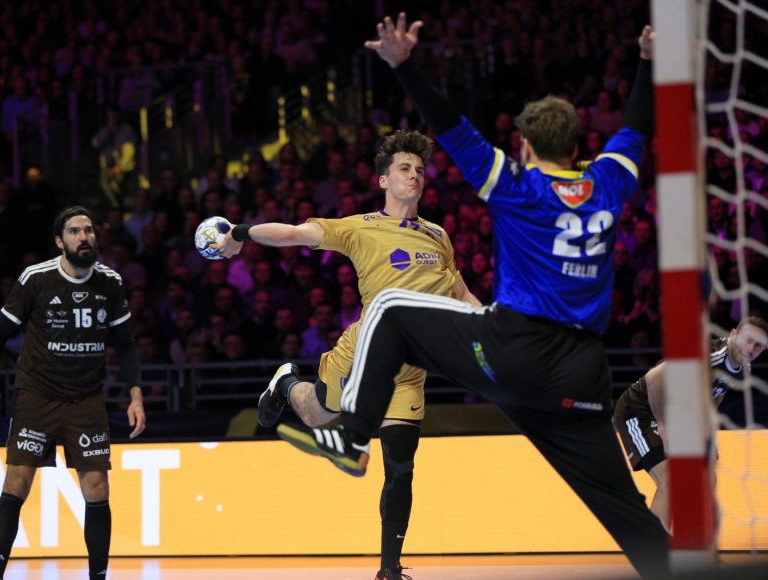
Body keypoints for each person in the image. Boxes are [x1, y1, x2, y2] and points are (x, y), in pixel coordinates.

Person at [275, 14, 669, 579]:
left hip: (511, 351)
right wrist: (650, 65)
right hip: (583, 374)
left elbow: (450, 124)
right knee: (627, 513)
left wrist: (403, 65)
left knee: (389, 308)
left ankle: (352, 436)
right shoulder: (609, 181)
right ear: (580, 147)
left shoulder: (517, 182)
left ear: (525, 146)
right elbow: (636, 127)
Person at [214, 129, 481, 580]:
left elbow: (459, 289)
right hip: (363, 356)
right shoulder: (359, 227)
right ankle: (286, 382)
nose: (413, 176)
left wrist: (488, 327)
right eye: (403, 168)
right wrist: (239, 232)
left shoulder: (438, 234)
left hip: (411, 372)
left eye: (419, 170)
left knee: (401, 467)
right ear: (382, 180)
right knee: (318, 415)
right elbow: (294, 233)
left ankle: (389, 570)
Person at [0, 206, 146, 580]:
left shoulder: (110, 282)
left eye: (89, 230)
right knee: (17, 482)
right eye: (74, 231)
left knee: (98, 487)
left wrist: (136, 396)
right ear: (60, 241)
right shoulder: (36, 279)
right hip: (37, 396)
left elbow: (126, 344)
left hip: (86, 400)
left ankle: (98, 577)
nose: (84, 237)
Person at [613, 316, 768, 531]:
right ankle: (655, 553)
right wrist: (664, 426)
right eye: (748, 339)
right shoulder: (709, 356)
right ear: (733, 334)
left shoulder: (742, 367)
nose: (751, 348)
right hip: (640, 410)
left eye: (759, 345)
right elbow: (653, 379)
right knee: (670, 483)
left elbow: (716, 393)